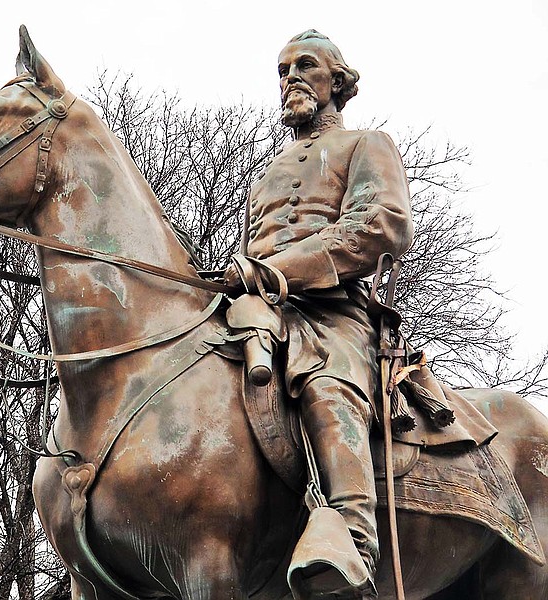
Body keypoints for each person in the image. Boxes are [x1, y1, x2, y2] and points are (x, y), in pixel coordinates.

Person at [224, 29, 414, 598]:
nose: (290, 79)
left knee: (324, 383)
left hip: (332, 314)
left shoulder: (365, 144)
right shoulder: (264, 177)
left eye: (305, 65)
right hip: (262, 310)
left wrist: (281, 269)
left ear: (338, 81)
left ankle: (352, 535)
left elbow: (380, 225)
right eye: (281, 70)